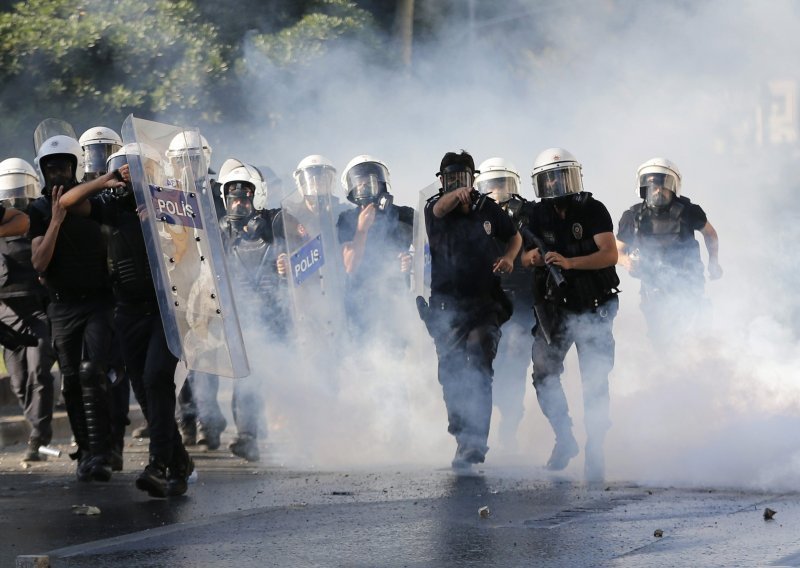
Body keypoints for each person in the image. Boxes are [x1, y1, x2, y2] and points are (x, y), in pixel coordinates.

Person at [59, 143, 194, 497]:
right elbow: (67, 204)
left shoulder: (172, 204)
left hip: (168, 308)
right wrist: (103, 181)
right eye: (123, 169)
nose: (128, 175)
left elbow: (195, 248)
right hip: (128, 312)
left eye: (136, 168)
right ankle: (178, 462)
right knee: (147, 394)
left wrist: (163, 221)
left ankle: (158, 466)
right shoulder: (112, 207)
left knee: (157, 379)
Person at [521, 147, 620, 482]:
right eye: (549, 178)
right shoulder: (534, 215)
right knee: (544, 374)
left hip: (594, 304)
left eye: (561, 176)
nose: (556, 184)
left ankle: (596, 446)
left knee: (595, 378)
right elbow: (520, 256)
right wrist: (533, 257)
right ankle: (564, 437)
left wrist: (570, 263)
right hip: (555, 309)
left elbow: (609, 254)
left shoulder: (592, 209)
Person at [420, 150, 521, 472]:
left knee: (479, 366)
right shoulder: (435, 208)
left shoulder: (487, 208)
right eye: (450, 178)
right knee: (450, 374)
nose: (456, 183)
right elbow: (439, 209)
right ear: (442, 180)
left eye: (462, 177)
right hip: (447, 307)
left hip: (484, 304)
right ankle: (461, 434)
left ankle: (475, 441)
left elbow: (514, 236)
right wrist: (454, 195)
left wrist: (509, 258)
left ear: (472, 177)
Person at [28, 133, 118, 482]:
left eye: (64, 166)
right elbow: (38, 261)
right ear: (42, 171)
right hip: (62, 307)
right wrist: (54, 222)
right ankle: (86, 452)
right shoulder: (37, 211)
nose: (58, 174)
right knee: (70, 380)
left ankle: (102, 453)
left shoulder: (89, 203)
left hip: (98, 301)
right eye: (51, 168)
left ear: (76, 167)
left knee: (91, 371)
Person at [217, 158, 290, 461]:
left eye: (245, 197)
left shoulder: (275, 221)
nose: (238, 204)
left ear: (257, 195)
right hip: (240, 313)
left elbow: (305, 241)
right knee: (245, 375)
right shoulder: (220, 230)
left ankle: (265, 431)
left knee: (268, 375)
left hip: (274, 312)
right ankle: (248, 435)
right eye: (233, 198)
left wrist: (288, 259)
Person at [616, 157, 722, 345]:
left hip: (688, 283)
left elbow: (710, 234)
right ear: (644, 188)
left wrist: (713, 262)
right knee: (661, 339)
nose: (658, 190)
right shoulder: (632, 216)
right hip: (653, 287)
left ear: (673, 187)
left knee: (691, 336)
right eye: (653, 186)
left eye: (663, 186)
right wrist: (626, 262)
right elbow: (617, 251)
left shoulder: (689, 211)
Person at [474, 157, 533, 452]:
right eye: (491, 186)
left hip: (521, 301)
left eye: (503, 185)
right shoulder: (474, 219)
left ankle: (510, 425)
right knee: (486, 364)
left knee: (516, 362)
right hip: (487, 301)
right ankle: (484, 428)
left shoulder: (527, 216)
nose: (498, 193)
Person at [0, 158, 56, 462]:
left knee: (39, 372)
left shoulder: (40, 220)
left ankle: (38, 437)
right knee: (19, 382)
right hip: (6, 312)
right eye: (10, 192)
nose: (15, 198)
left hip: (37, 310)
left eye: (21, 190)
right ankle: (37, 427)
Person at [336, 155, 414, 338]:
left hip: (397, 301)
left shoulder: (405, 216)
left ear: (382, 182)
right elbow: (349, 265)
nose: (364, 185)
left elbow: (426, 251)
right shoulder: (346, 219)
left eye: (370, 180)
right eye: (359, 181)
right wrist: (361, 229)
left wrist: (410, 261)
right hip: (360, 303)